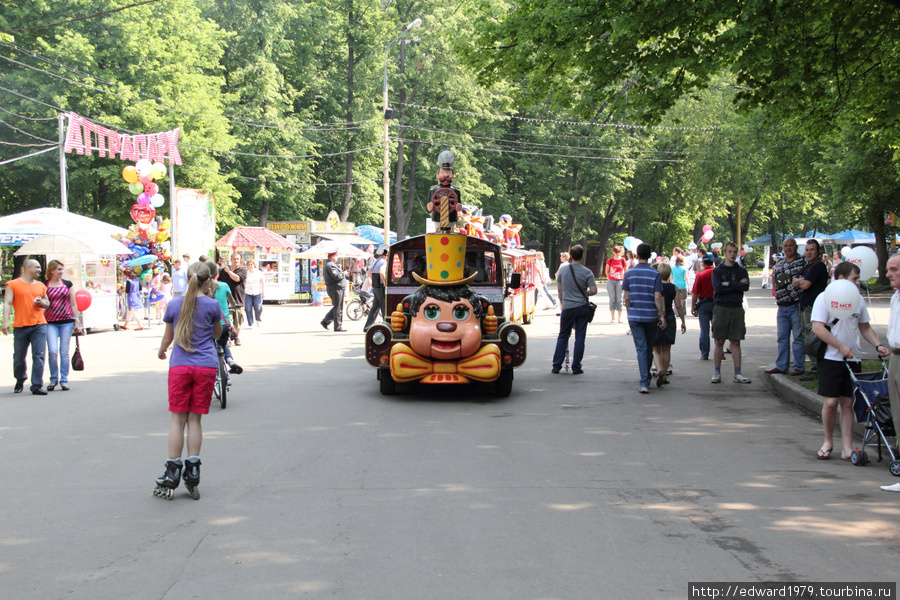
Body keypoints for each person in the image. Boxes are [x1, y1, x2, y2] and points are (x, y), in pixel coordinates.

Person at [154, 262, 223, 501]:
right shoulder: (213, 305)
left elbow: (168, 337)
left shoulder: (175, 304)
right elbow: (217, 334)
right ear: (208, 281)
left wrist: (162, 351)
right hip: (205, 366)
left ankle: (173, 469)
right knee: (195, 419)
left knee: (177, 419)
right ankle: (193, 469)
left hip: (180, 366)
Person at [811, 261, 889, 461]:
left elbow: (864, 327)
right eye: (854, 279)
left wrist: (878, 345)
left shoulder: (858, 301)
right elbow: (818, 328)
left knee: (848, 402)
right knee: (830, 403)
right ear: (842, 278)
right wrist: (840, 347)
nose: (857, 283)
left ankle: (847, 446)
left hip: (853, 358)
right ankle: (828, 441)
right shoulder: (824, 298)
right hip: (830, 358)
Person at [2, 259, 50, 394]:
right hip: (21, 325)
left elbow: (47, 303)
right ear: (28, 267)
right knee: (18, 356)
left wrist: (43, 303)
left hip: (39, 325)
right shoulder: (13, 284)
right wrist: (5, 321)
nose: (40, 270)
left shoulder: (40, 285)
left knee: (39, 355)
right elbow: (7, 303)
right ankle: (20, 378)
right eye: (37, 267)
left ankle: (36, 385)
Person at [622, 243, 665, 393]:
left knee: (641, 348)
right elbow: (658, 297)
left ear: (637, 255)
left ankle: (644, 382)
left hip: (635, 315)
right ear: (650, 255)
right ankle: (645, 379)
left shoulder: (629, 273)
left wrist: (629, 312)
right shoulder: (655, 274)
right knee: (648, 347)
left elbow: (626, 296)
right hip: (650, 316)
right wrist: (662, 315)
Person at [551, 245, 596, 375]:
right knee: (580, 336)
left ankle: (556, 365)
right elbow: (593, 290)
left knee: (563, 335)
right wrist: (585, 293)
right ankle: (576, 366)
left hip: (568, 307)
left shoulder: (563, 271)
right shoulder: (587, 272)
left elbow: (559, 289)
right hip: (582, 307)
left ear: (570, 255)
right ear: (582, 256)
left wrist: (562, 302)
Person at [710, 242, 751, 384]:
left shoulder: (741, 270)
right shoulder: (717, 271)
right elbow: (718, 288)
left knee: (736, 340)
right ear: (724, 252)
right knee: (719, 340)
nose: (732, 254)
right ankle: (716, 372)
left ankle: (737, 373)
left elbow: (745, 286)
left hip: (736, 307)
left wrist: (728, 284)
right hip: (721, 307)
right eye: (729, 251)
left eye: (734, 252)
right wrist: (736, 285)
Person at [767, 238, 807, 375]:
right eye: (786, 246)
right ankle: (781, 366)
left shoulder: (802, 261)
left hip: (796, 306)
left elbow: (807, 279)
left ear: (795, 247)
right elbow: (774, 278)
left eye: (791, 245)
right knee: (782, 338)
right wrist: (776, 294)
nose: (788, 248)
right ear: (782, 248)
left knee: (798, 338)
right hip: (782, 306)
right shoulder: (780, 263)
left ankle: (798, 366)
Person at [43, 260, 81, 391]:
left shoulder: (67, 284)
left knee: (64, 352)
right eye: (58, 269)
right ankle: (53, 379)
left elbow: (73, 303)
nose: (61, 272)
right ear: (51, 270)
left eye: (62, 269)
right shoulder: (45, 285)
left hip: (66, 321)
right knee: (52, 351)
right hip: (50, 322)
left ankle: (64, 379)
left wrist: (76, 320)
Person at [795, 240, 830, 381]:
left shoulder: (818, 267)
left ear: (818, 251)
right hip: (805, 306)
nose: (809, 252)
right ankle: (815, 368)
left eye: (812, 250)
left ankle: (817, 370)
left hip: (813, 307)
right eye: (807, 250)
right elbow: (794, 281)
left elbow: (805, 285)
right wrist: (800, 280)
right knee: (805, 337)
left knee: (813, 339)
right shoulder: (807, 267)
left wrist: (801, 281)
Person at [881, 254, 900, 492]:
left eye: (894, 269)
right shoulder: (895, 297)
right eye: (888, 270)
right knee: (898, 415)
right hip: (895, 357)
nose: (888, 274)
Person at [205, 262, 243, 379]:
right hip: (224, 324)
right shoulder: (224, 286)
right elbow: (232, 302)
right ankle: (230, 360)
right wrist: (234, 305)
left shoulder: (203, 289)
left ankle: (210, 367)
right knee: (222, 341)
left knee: (209, 344)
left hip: (208, 325)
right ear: (217, 275)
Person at [652, 263, 685, 387]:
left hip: (656, 317)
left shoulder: (655, 287)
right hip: (670, 317)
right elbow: (679, 305)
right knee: (666, 348)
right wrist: (683, 321)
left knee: (655, 348)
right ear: (669, 273)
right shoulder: (674, 287)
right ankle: (664, 374)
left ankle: (659, 368)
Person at [691, 254, 715, 360]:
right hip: (717, 303)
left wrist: (692, 306)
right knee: (717, 330)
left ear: (703, 263)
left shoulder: (700, 275)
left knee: (704, 331)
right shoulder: (717, 273)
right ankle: (720, 353)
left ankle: (705, 354)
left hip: (704, 304)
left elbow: (695, 293)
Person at [219, 254, 247, 345]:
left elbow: (237, 279)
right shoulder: (223, 271)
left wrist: (229, 271)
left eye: (238, 259)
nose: (236, 260)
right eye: (234, 259)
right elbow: (219, 282)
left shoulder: (242, 270)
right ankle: (229, 339)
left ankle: (236, 336)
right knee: (229, 321)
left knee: (238, 322)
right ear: (231, 260)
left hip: (238, 299)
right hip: (226, 300)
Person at [320, 251, 347, 332]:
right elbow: (337, 276)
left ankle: (325, 321)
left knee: (338, 307)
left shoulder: (331, 264)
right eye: (336, 256)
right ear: (333, 256)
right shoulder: (330, 265)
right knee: (337, 308)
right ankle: (337, 326)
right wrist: (343, 273)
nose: (337, 257)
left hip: (337, 287)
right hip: (335, 288)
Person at [364, 247, 388, 331]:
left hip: (376, 287)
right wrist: (385, 281)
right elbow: (382, 272)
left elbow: (369, 272)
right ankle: (387, 326)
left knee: (375, 308)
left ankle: (367, 327)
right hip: (381, 287)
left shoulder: (376, 261)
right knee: (384, 307)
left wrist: (374, 280)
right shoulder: (383, 262)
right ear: (386, 254)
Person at [604, 244, 627, 323]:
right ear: (613, 252)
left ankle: (619, 317)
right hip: (611, 281)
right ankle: (613, 317)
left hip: (620, 281)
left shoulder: (623, 260)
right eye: (616, 252)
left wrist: (623, 279)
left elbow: (625, 271)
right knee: (612, 299)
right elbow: (607, 271)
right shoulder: (610, 260)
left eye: (619, 252)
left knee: (619, 299)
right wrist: (610, 277)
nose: (617, 253)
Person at [243, 260, 265, 328]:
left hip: (257, 292)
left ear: (254, 265)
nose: (250, 266)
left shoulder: (259, 273)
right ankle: (250, 322)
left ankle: (258, 319)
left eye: (251, 264)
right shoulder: (246, 273)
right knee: (248, 308)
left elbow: (262, 282)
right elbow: (244, 283)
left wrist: (263, 292)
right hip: (248, 292)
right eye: (249, 265)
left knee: (258, 307)